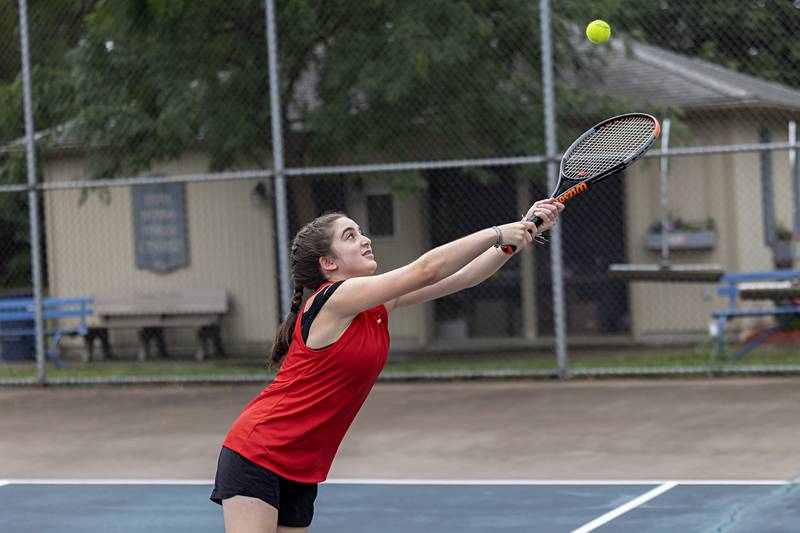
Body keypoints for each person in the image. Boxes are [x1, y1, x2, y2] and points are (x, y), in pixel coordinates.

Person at [210, 198, 564, 532]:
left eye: (361, 232)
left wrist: (519, 232)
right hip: (258, 450)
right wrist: (498, 232)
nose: (365, 240)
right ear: (328, 264)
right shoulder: (335, 298)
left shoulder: (373, 305)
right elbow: (428, 269)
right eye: (350, 236)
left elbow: (462, 277)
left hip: (300, 465)